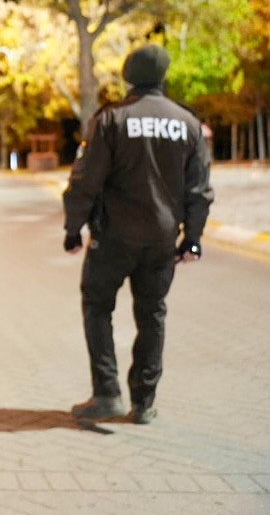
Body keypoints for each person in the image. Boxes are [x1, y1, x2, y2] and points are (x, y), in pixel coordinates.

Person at [63, 43, 213, 425]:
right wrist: (192, 238)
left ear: (128, 75)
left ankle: (107, 394)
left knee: (98, 306)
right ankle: (144, 402)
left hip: (113, 237)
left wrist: (73, 228)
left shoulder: (111, 119)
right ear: (163, 76)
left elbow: (85, 180)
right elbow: (199, 190)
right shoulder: (187, 123)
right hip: (162, 239)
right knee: (152, 315)